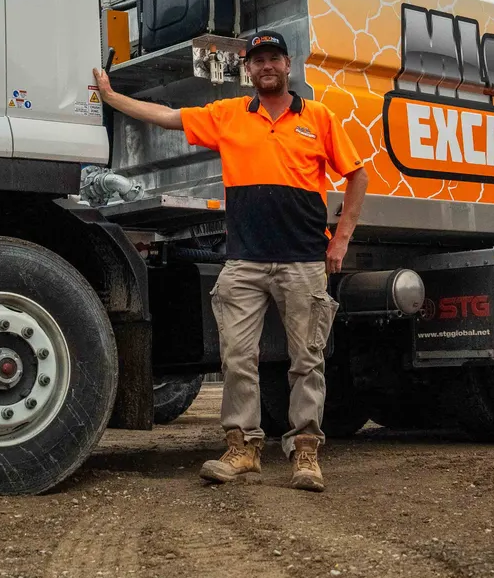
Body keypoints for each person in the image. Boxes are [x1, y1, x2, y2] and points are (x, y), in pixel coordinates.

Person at [93, 30, 368, 491]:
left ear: (287, 66)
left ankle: (305, 454)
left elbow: (357, 175)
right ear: (249, 70)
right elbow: (165, 117)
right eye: (257, 60)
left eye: (273, 58)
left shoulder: (318, 118)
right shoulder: (229, 115)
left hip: (303, 260)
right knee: (238, 356)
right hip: (244, 261)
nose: (266, 66)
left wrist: (340, 241)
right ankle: (243, 449)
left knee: (306, 359)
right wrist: (110, 96)